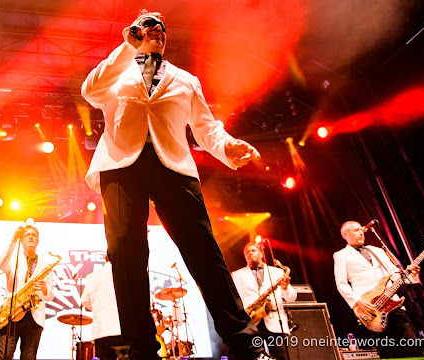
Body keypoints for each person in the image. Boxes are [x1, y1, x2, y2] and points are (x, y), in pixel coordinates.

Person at [81, 9, 269, 360]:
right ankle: (141, 349)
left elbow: (206, 127)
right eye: (148, 26)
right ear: (136, 31)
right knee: (125, 251)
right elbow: (90, 91)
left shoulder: (186, 79)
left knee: (202, 249)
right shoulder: (117, 71)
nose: (156, 32)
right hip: (121, 165)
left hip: (173, 165)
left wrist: (228, 146)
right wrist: (128, 48)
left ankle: (244, 340)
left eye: (161, 30)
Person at [333, 220, 424, 358]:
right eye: (356, 230)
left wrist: (412, 274)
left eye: (361, 229)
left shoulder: (377, 251)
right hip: (371, 307)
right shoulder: (341, 255)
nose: (361, 232)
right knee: (387, 348)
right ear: (346, 233)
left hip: (392, 301)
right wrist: (357, 302)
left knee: (410, 341)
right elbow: (341, 284)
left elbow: (394, 274)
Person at [0, 224, 54, 360]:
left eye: (34, 235)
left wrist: (45, 289)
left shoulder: (46, 264)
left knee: (29, 357)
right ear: (21, 240)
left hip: (34, 318)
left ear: (38, 241)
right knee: (4, 356)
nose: (31, 237)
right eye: (27, 235)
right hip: (11, 314)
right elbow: (0, 264)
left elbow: (50, 295)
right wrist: (13, 240)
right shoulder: (12, 260)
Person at [231, 243, 296, 360]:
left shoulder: (277, 272)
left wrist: (285, 288)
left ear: (261, 253)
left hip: (275, 322)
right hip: (252, 322)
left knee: (281, 356)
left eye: (253, 250)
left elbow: (291, 298)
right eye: (247, 252)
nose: (250, 253)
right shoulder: (236, 275)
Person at [81, 255, 128, 360]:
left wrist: (99, 309)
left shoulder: (92, 277)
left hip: (101, 331)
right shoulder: (126, 274)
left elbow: (84, 300)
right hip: (122, 329)